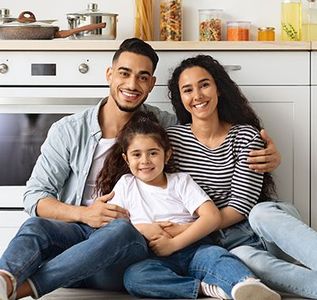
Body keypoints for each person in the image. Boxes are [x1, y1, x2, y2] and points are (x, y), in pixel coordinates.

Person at [0, 38, 280, 300]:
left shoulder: (164, 128)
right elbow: (34, 198)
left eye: (143, 77)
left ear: (151, 84)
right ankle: (5, 280)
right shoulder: (69, 130)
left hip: (129, 245)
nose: (132, 84)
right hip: (81, 239)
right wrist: (84, 214)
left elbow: (208, 129)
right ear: (109, 74)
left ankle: (27, 289)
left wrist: (264, 154)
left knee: (122, 231)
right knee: (35, 225)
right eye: (124, 73)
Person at [151, 54, 317, 299]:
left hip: (264, 229)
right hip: (232, 244)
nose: (197, 95)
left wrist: (187, 229)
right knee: (242, 259)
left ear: (218, 88)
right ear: (180, 98)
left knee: (262, 212)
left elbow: (240, 208)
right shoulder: (171, 141)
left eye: (204, 84)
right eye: (187, 90)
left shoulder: (245, 136)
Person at [96, 110, 280, 300]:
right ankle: (204, 288)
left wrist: (174, 243)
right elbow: (113, 227)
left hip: (193, 247)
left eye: (153, 153)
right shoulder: (126, 184)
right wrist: (143, 229)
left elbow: (212, 216)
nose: (145, 161)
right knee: (134, 278)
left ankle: (246, 284)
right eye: (137, 154)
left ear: (167, 155)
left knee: (216, 257)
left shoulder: (180, 181)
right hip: (153, 257)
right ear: (127, 159)